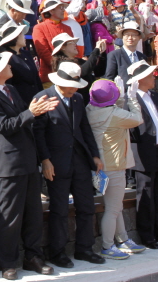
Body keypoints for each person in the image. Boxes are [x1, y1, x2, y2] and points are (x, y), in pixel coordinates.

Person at [0, 47, 57, 278]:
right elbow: (4, 126)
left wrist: (37, 111)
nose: (10, 65)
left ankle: (33, 256)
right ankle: (8, 262)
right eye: (5, 64)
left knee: (33, 213)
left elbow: (25, 117)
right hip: (9, 164)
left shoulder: (10, 89)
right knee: (11, 215)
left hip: (26, 158)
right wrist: (31, 113)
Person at [33, 61, 105, 266]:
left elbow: (85, 128)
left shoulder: (78, 99)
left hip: (79, 160)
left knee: (86, 205)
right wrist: (45, 160)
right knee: (59, 208)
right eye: (70, 85)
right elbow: (38, 133)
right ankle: (57, 252)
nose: (74, 89)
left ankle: (85, 248)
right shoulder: (43, 98)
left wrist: (94, 155)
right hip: (56, 162)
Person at [85, 79, 145, 260]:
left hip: (100, 165)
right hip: (115, 165)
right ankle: (107, 246)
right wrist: (132, 97)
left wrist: (117, 97)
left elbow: (107, 104)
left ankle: (123, 239)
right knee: (112, 209)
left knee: (116, 206)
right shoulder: (115, 115)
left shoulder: (89, 109)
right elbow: (137, 119)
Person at [125, 60, 158, 249]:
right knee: (145, 194)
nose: (153, 78)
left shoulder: (155, 97)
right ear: (139, 79)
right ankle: (147, 235)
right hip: (144, 152)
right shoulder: (130, 99)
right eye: (149, 75)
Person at [0, 20, 43, 106]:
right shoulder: (6, 58)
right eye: (21, 34)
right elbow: (8, 84)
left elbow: (36, 78)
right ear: (14, 38)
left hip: (37, 99)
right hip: (22, 102)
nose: (24, 37)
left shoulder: (26, 54)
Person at [104, 21, 145, 87]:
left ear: (139, 37)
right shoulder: (114, 55)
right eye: (127, 35)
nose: (130, 38)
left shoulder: (142, 57)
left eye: (134, 35)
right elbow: (109, 78)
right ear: (122, 36)